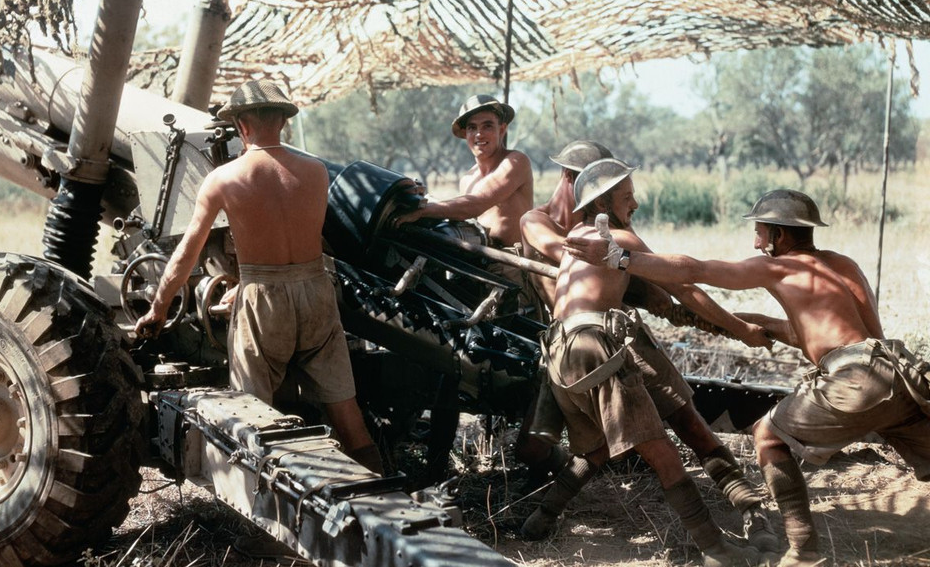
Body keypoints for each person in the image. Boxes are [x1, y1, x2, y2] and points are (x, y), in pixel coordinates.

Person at [577, 188, 930, 567]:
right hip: (898, 373)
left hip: (854, 380)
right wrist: (755, 326)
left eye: (760, 232)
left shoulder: (777, 266)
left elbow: (695, 269)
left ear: (780, 236)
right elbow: (854, 337)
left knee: (768, 436)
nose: (756, 243)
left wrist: (620, 258)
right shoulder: (844, 265)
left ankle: (804, 552)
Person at [519, 145, 780, 555]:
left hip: (558, 352)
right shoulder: (606, 236)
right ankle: (718, 550)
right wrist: (742, 329)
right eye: (628, 197)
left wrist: (648, 287)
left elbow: (647, 288)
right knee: (663, 450)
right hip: (596, 344)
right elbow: (687, 286)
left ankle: (541, 516)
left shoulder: (577, 237)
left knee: (597, 447)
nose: (636, 204)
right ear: (601, 204)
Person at [134, 80, 384, 478]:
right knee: (346, 412)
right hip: (317, 291)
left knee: (253, 417)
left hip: (262, 300)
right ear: (283, 122)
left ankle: (264, 519)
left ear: (242, 126)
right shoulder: (316, 172)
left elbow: (187, 254)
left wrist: (158, 308)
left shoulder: (223, 179)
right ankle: (379, 487)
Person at [392, 93, 533, 248]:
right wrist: (417, 201)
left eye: (487, 126)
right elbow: (462, 213)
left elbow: (475, 204)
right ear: (466, 134)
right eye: (472, 128)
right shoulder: (468, 179)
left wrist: (423, 210)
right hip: (481, 258)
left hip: (514, 264)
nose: (479, 134)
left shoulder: (515, 161)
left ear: (502, 129)